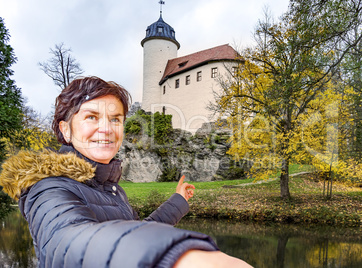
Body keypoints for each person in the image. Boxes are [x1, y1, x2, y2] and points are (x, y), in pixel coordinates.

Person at [0, 76, 251, 267]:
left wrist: (178, 201)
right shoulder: (49, 187)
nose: (107, 129)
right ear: (65, 130)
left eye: (116, 119)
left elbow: (138, 228)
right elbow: (66, 242)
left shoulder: (108, 187)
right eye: (91, 117)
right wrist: (176, 256)